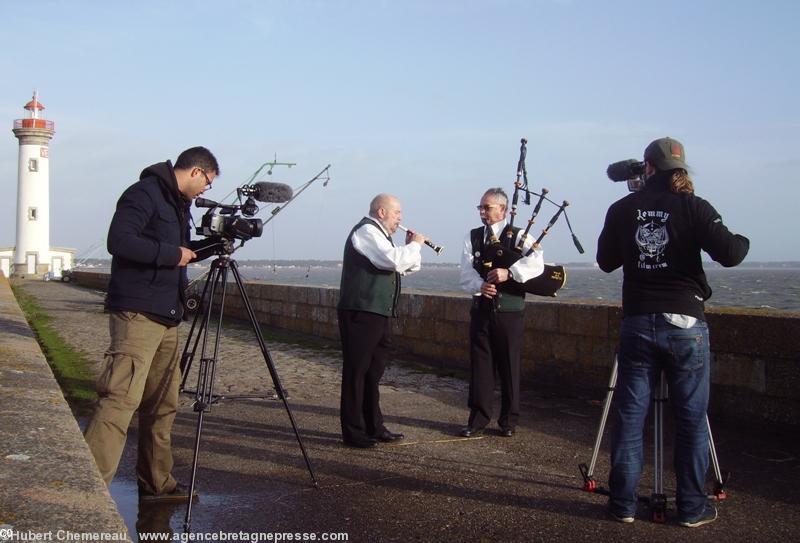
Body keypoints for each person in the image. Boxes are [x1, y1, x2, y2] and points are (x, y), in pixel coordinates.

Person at [597, 137, 749, 527]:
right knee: (691, 418)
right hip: (685, 323)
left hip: (638, 320)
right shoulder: (694, 206)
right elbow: (731, 253)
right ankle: (693, 509)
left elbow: (605, 261)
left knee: (630, 417)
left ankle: (623, 506)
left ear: (646, 168)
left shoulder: (622, 208)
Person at [83, 146, 220, 502]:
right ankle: (86, 492)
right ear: (195, 171)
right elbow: (120, 241)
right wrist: (171, 254)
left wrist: (212, 245)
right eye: (207, 182)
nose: (206, 190)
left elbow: (180, 252)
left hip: (167, 314)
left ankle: (157, 482)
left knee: (163, 403)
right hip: (137, 313)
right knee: (119, 400)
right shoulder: (143, 193)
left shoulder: (178, 204)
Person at [338, 193, 426, 448]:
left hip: (376, 313)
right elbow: (393, 259)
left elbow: (406, 267)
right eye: (397, 212)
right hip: (360, 311)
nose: (401, 218)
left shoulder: (381, 235)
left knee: (372, 373)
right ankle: (354, 432)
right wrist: (416, 245)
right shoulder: (366, 231)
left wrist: (411, 247)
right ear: (381, 212)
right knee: (357, 372)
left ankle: (373, 426)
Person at [458, 187, 544, 438]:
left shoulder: (518, 235)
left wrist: (510, 273)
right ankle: (478, 419)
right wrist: (479, 286)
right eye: (481, 208)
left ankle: (508, 421)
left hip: (509, 311)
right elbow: (465, 271)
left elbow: (537, 261)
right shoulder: (472, 237)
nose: (482, 212)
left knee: (509, 365)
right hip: (481, 310)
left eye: (487, 207)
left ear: (503, 209)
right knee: (481, 366)